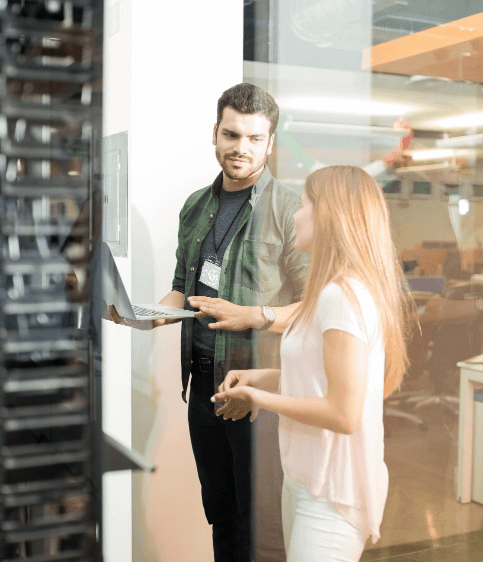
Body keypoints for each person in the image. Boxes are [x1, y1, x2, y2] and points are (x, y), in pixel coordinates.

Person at [106, 84, 411, 562]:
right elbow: (181, 289)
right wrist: (142, 316)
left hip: (269, 393)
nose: (241, 148)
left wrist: (255, 316)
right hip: (208, 384)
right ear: (215, 134)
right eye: (231, 134)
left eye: (254, 138)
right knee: (222, 513)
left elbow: (316, 308)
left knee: (263, 526)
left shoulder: (294, 211)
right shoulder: (195, 207)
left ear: (270, 143)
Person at [212, 165, 414, 561]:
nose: (295, 215)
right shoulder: (331, 293)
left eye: (304, 205)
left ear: (329, 216)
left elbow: (343, 413)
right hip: (306, 480)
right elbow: (322, 379)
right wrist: (265, 378)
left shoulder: (343, 296)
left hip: (331, 495)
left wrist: (259, 397)